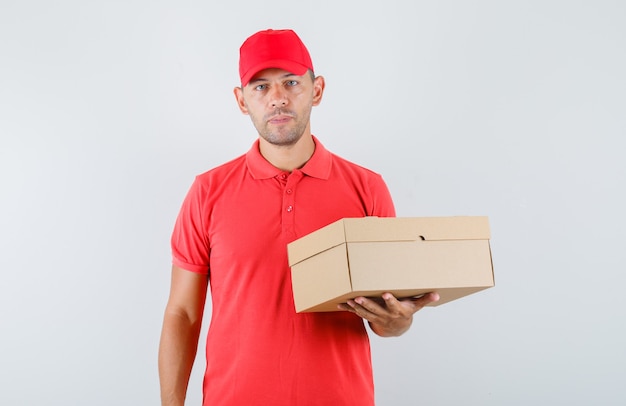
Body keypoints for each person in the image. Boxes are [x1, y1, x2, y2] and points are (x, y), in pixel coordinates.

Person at [158, 28, 439, 406]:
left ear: (317, 90)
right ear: (242, 101)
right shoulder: (208, 191)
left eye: (291, 82)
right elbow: (183, 314)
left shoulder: (367, 188)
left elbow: (386, 317)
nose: (277, 99)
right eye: (260, 87)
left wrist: (399, 321)